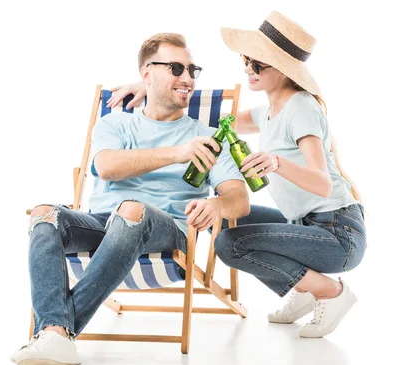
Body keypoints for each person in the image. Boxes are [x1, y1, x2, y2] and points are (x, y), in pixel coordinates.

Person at [107, 12, 366, 339]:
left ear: (283, 71)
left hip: (337, 234)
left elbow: (322, 182)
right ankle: (302, 288)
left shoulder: (301, 108)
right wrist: (149, 85)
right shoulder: (269, 110)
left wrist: (276, 162)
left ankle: (330, 291)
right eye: (246, 61)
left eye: (257, 65)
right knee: (230, 215)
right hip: (304, 225)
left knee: (231, 244)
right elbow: (211, 116)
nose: (248, 69)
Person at [11, 33, 249, 365]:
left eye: (193, 70)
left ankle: (53, 332)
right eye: (176, 68)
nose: (188, 78)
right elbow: (106, 165)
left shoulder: (210, 138)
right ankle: (56, 333)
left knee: (132, 209)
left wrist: (217, 206)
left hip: (167, 228)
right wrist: (176, 153)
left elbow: (239, 199)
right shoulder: (114, 123)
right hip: (103, 224)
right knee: (43, 214)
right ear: (146, 74)